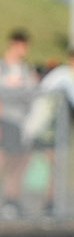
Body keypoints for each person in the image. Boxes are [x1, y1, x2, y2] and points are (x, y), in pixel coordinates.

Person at [22, 48, 74, 216]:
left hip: (54, 127)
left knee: (54, 165)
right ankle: (21, 201)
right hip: (45, 126)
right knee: (34, 160)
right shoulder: (67, 75)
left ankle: (49, 203)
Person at [0, 29, 40, 219]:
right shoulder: (2, 67)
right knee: (4, 161)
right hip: (5, 120)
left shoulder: (25, 69)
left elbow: (32, 91)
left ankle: (11, 201)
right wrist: (17, 90)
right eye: (20, 44)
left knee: (17, 164)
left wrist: (18, 88)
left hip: (20, 123)